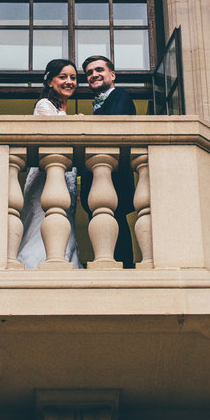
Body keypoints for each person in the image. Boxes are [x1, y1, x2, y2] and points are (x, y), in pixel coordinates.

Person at [17, 58, 83, 269]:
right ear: (49, 81)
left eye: (73, 77)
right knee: (43, 221)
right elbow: (55, 133)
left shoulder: (63, 109)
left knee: (65, 222)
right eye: (62, 77)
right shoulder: (43, 105)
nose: (69, 82)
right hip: (47, 177)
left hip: (66, 177)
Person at [80, 55, 137, 267]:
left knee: (117, 226)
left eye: (99, 70)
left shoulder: (119, 95)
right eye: (89, 73)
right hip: (99, 179)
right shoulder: (100, 102)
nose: (94, 75)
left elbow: (111, 132)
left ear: (112, 75)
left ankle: (124, 266)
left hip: (114, 178)